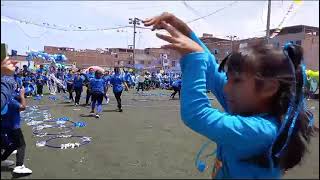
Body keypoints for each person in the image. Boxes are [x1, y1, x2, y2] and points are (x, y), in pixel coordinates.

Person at [144, 12, 318, 179]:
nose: (226, 89)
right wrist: (181, 28)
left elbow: (196, 114)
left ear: (268, 88)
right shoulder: (248, 106)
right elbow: (212, 70)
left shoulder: (262, 131)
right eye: (228, 79)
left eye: (236, 80)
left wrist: (194, 58)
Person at [1, 86, 32, 174]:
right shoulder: (10, 100)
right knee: (21, 145)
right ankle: (19, 165)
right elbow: (22, 107)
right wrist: (22, 96)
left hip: (4, 126)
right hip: (14, 126)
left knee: (13, 144)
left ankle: (2, 158)